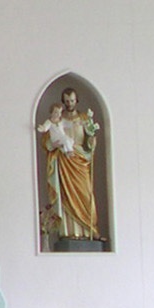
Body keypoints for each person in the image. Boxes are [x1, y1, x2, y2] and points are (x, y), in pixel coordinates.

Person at [39, 87, 99, 244]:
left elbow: (89, 141)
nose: (69, 104)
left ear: (76, 100)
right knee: (66, 196)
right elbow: (46, 141)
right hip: (64, 160)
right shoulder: (57, 118)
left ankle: (88, 230)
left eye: (72, 101)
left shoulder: (84, 118)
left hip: (80, 160)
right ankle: (67, 232)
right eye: (66, 101)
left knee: (85, 194)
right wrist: (54, 143)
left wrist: (92, 142)